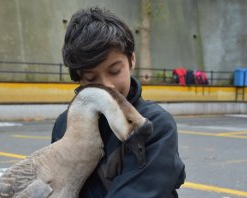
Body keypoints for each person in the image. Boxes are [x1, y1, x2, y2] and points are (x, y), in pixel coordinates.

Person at [51, 7, 185, 198]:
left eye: (114, 71)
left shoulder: (154, 125)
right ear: (79, 79)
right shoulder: (63, 125)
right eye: (91, 78)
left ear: (131, 60)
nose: (107, 87)